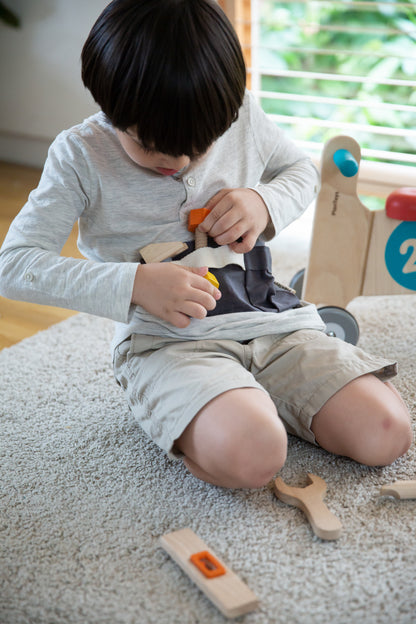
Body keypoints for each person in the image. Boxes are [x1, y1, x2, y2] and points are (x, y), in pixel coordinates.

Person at [0, 0, 412, 489]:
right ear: (111, 105)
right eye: (150, 144)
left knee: (387, 432)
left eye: (199, 146)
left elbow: (298, 170)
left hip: (273, 322)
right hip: (170, 343)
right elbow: (15, 264)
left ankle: (246, 399)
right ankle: (193, 404)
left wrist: (264, 202)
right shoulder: (79, 155)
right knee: (256, 453)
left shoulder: (241, 113)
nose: (177, 160)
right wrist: (136, 283)